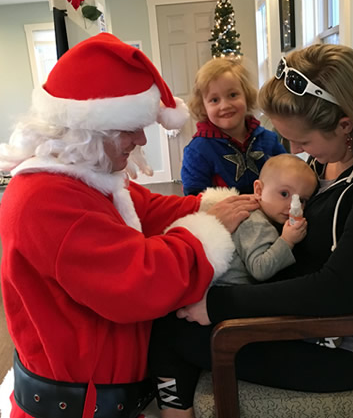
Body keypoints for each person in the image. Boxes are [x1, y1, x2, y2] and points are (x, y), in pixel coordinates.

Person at [148, 43, 353, 417]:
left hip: (347, 347)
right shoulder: (329, 157)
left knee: (172, 329)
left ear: (346, 125)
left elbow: (337, 291)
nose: (295, 150)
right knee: (168, 303)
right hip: (301, 319)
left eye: (304, 141)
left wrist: (217, 305)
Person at [0, 33, 258, 418]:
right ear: (85, 130)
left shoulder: (85, 178)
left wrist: (213, 204)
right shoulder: (46, 199)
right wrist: (208, 232)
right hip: (81, 406)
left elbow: (150, 209)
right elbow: (138, 283)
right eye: (128, 128)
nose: (140, 139)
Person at [181, 57, 286, 196]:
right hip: (222, 216)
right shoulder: (197, 151)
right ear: (203, 106)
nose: (225, 105)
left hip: (272, 213)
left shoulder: (268, 140)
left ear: (246, 96)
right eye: (214, 100)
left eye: (232, 95)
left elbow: (288, 174)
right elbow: (194, 199)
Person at [216, 153, 317, 286]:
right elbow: (260, 269)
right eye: (284, 194)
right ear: (258, 190)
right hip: (229, 291)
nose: (293, 205)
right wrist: (287, 241)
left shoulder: (264, 216)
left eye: (301, 200)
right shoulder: (254, 222)